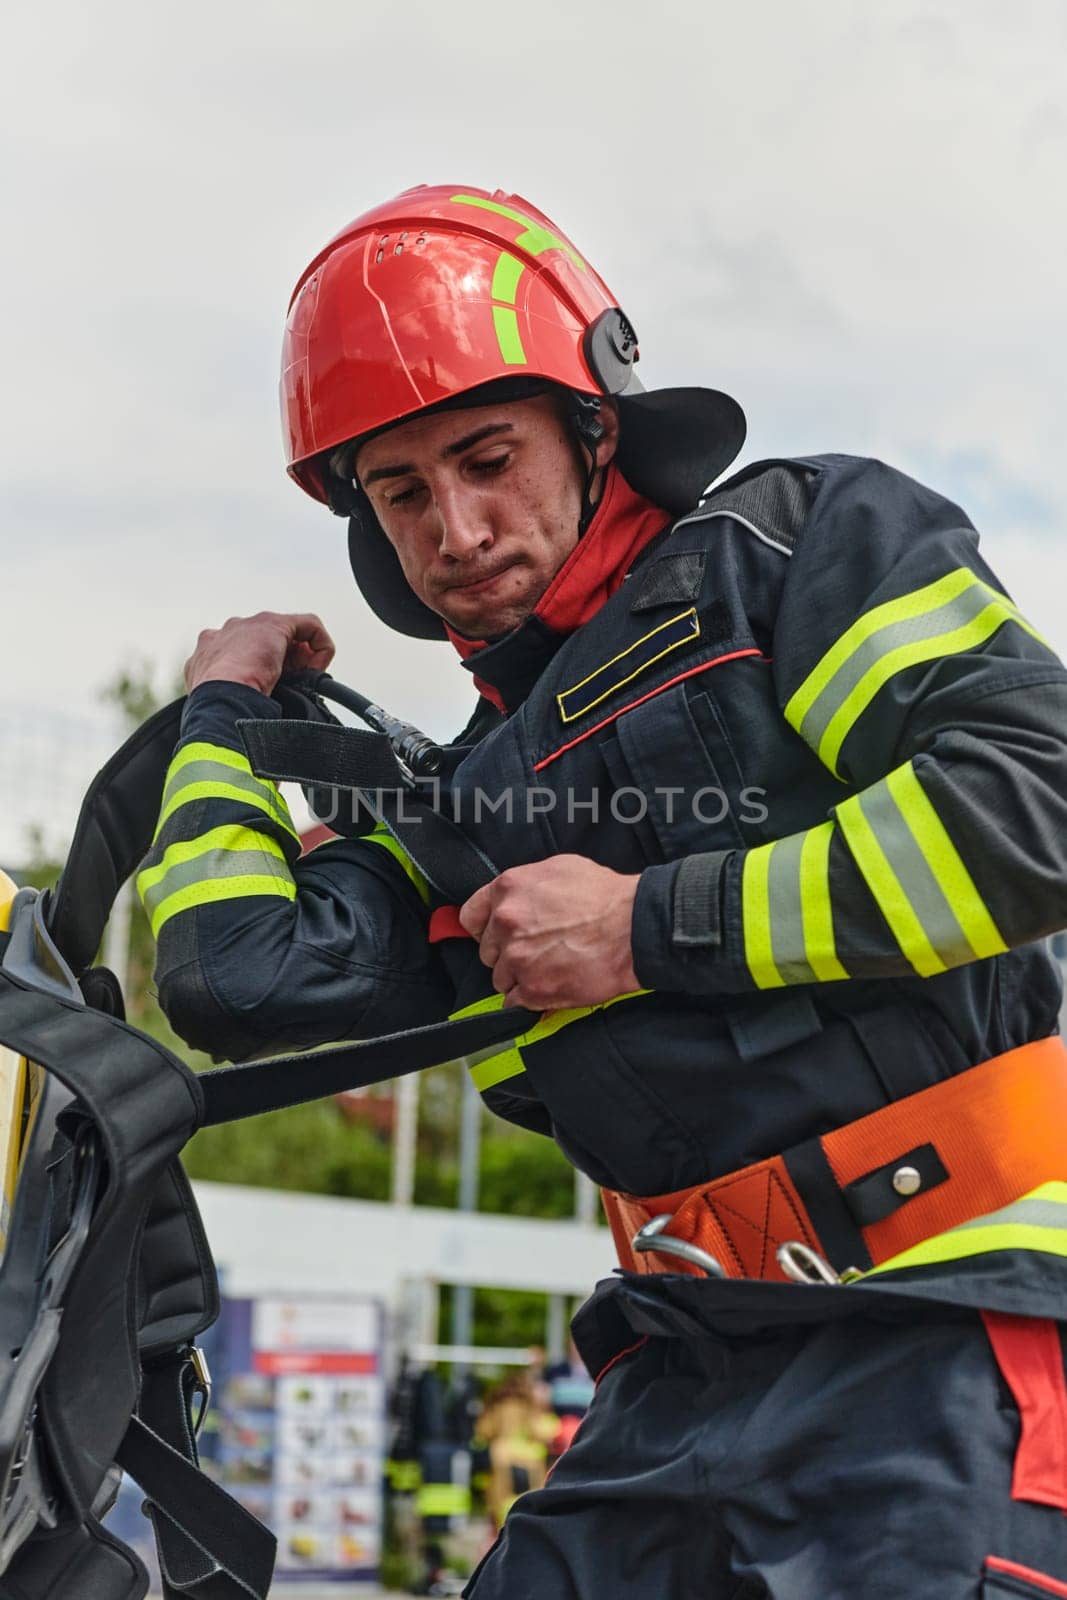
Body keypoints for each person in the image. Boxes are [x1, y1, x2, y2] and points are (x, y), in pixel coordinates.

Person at [138, 184, 1067, 1597]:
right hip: (679, 1374)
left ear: (596, 424)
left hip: (953, 1339)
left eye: (486, 456)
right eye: (399, 490)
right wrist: (218, 717)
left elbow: (1041, 805)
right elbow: (232, 976)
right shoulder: (458, 802)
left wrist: (641, 930)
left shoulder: (797, 547)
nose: (454, 526)